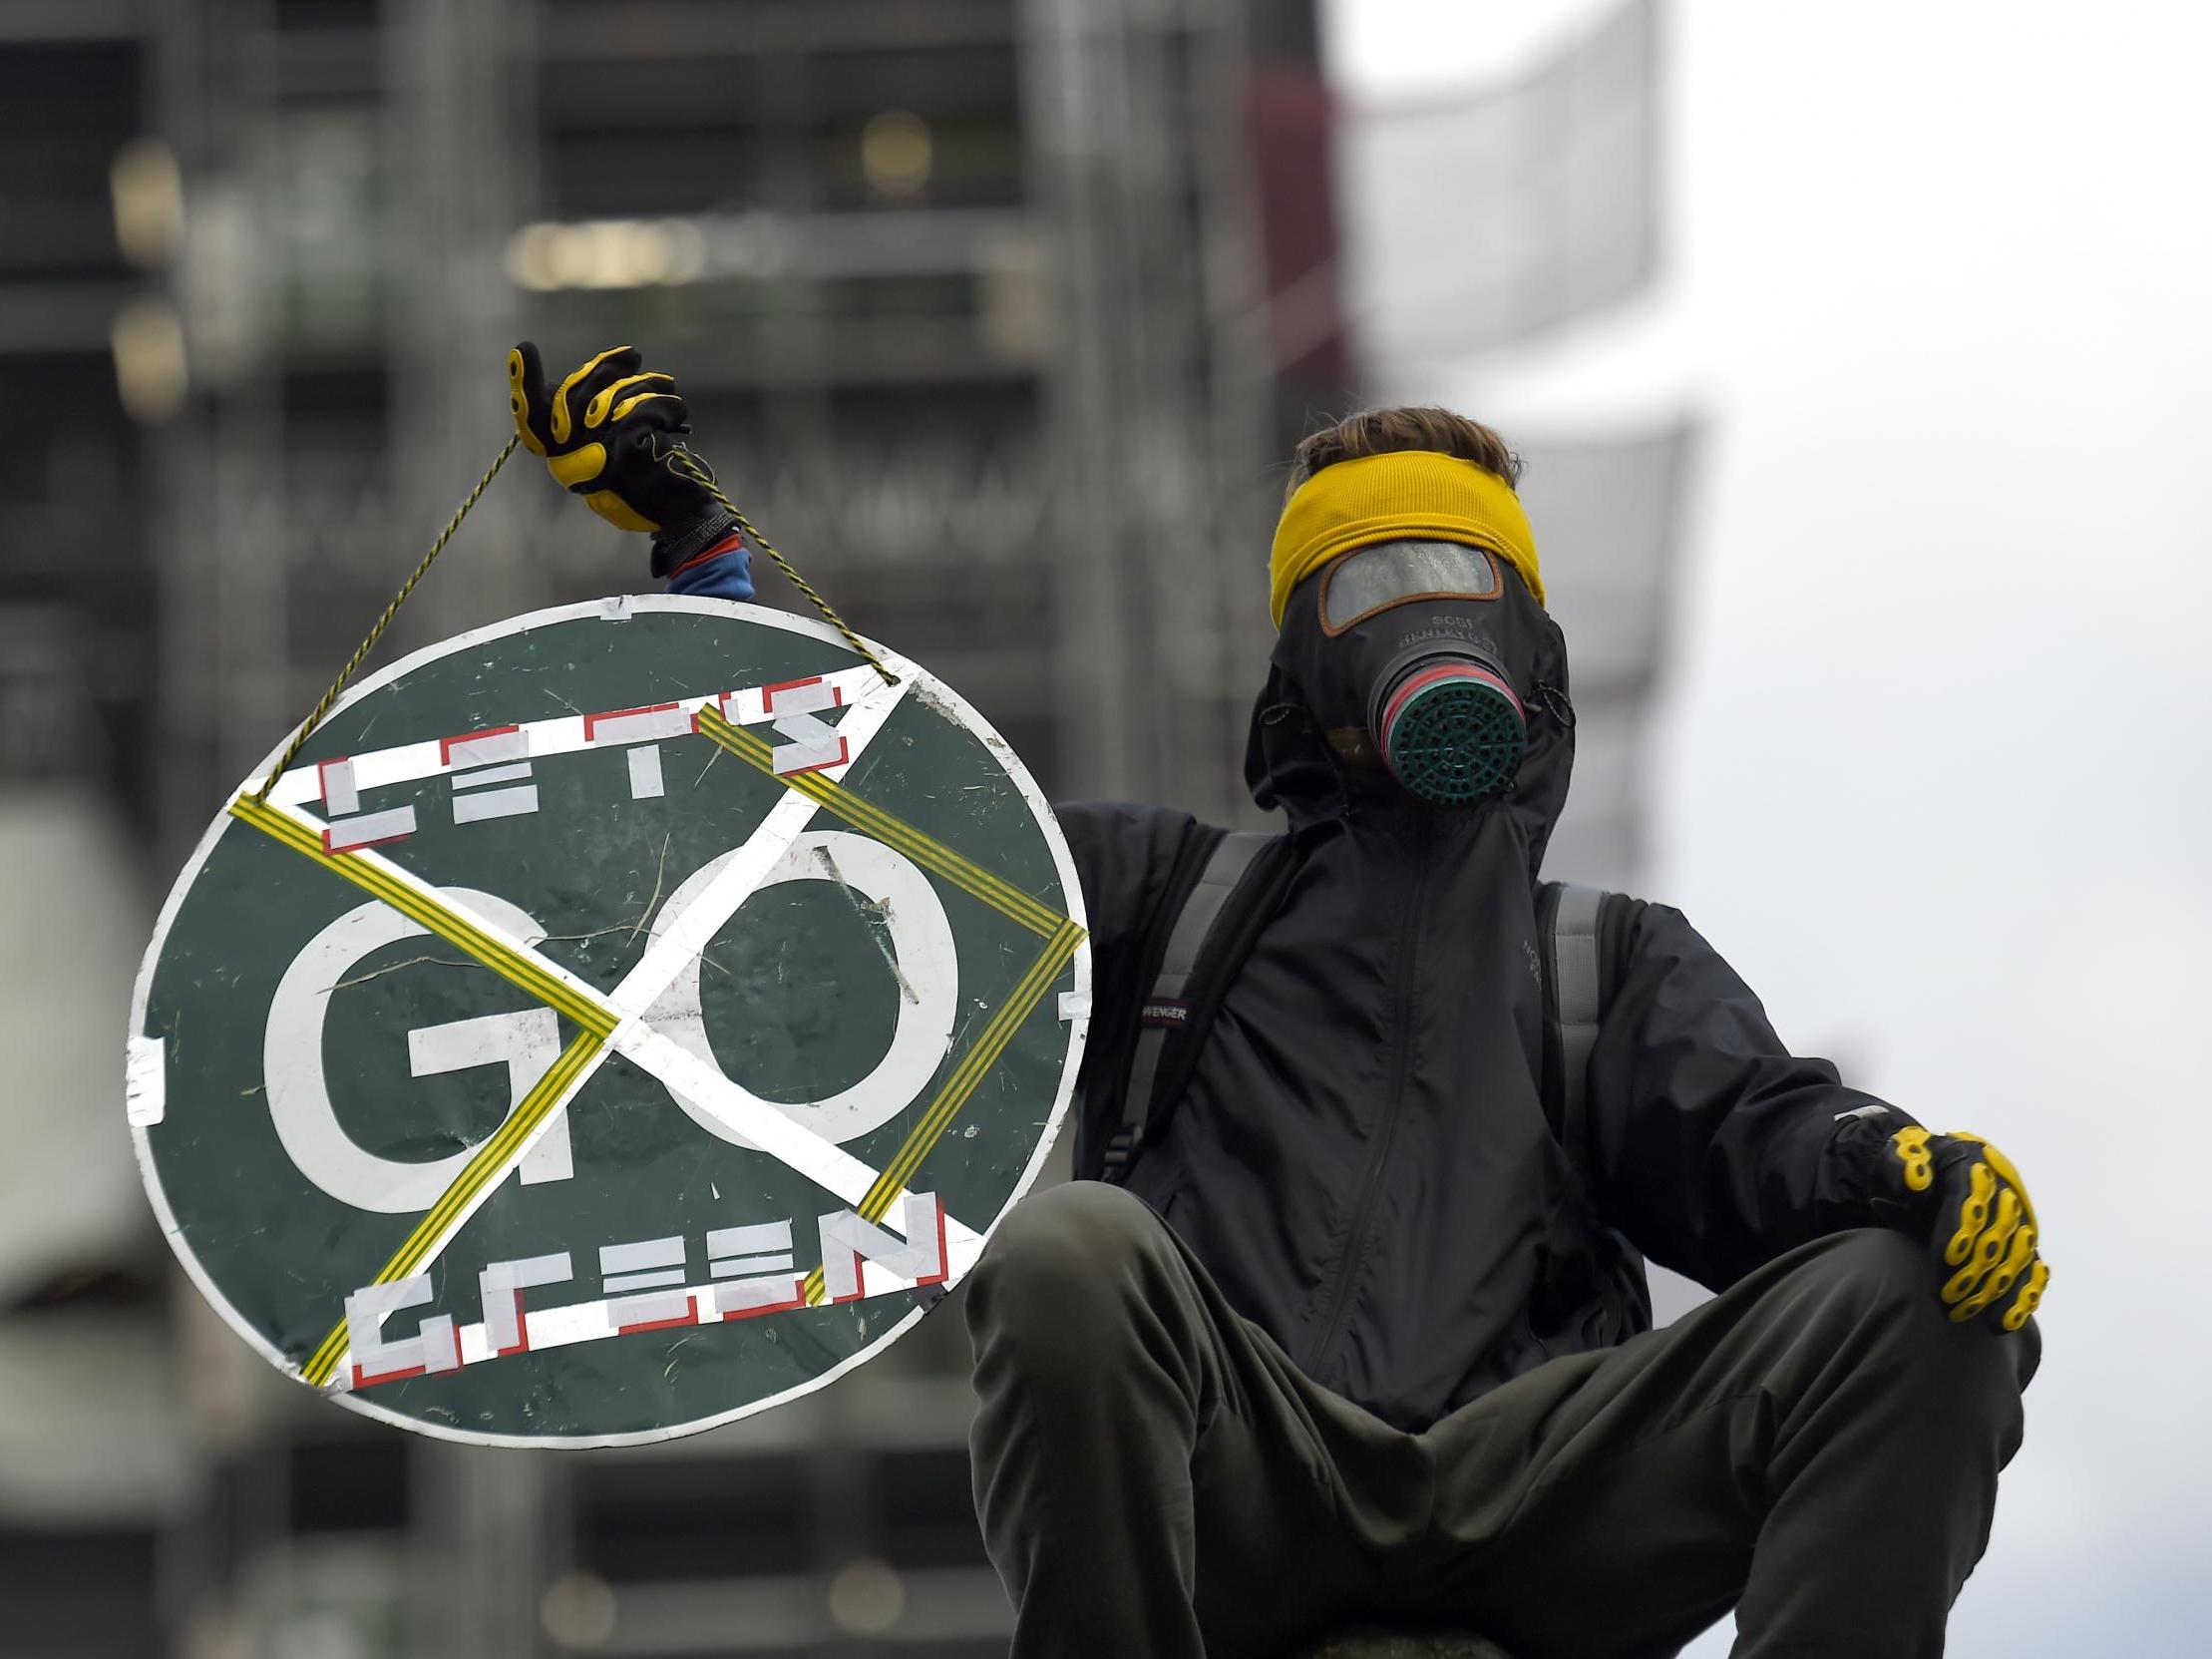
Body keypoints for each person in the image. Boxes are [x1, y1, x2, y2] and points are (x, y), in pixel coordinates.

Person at [510, 343, 2047, 1659]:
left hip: (1543, 1489)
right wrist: (710, 561)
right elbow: (866, 835)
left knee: (1927, 1301)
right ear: (1300, 671)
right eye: (1361, 587)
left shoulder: (1608, 964)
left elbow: (1753, 1136)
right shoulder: (1163, 901)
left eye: (1456, 579)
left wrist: (1887, 1163)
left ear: (1530, 643)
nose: (1414, 614)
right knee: (1068, 1249)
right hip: (1244, 1476)